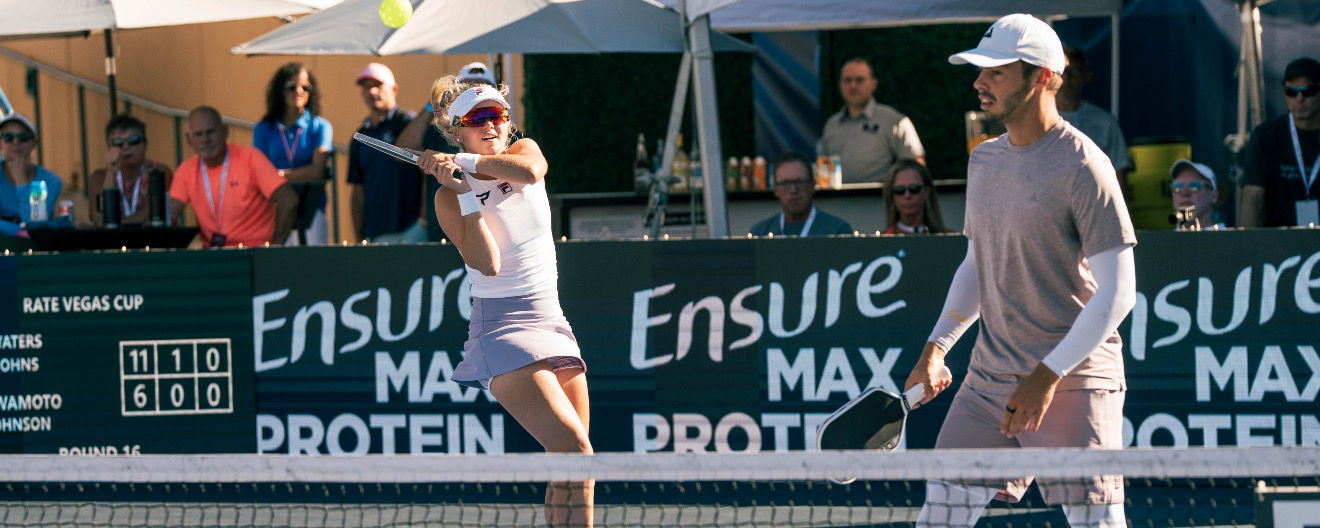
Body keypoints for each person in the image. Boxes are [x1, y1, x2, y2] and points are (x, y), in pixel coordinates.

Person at [903, 14, 1136, 528]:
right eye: (979, 71)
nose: (978, 82)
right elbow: (977, 262)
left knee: (1098, 524)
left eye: (996, 72)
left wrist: (1047, 376)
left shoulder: (1086, 167)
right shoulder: (983, 160)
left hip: (1074, 381)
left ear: (1043, 78)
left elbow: (1120, 294)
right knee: (937, 519)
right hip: (989, 380)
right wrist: (937, 346)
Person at [413, 77, 592, 526]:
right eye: (477, 119)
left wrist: (466, 161)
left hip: (552, 318)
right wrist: (467, 193)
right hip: (503, 329)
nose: (491, 124)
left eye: (498, 115)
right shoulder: (446, 198)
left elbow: (531, 174)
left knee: (573, 467)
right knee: (575, 450)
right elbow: (486, 263)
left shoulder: (524, 151)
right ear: (457, 129)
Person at [169, 106, 298, 248]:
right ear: (189, 139)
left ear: (225, 131)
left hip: (255, 252)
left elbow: (288, 200)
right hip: (213, 254)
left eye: (210, 132)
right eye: (198, 134)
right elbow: (169, 214)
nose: (205, 139)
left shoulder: (250, 158)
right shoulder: (186, 170)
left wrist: (275, 247)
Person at [397, 62, 497, 242]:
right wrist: (433, 104)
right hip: (443, 229)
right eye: (465, 87)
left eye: (480, 87)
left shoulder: (501, 132)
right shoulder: (442, 131)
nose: (473, 92)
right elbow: (402, 151)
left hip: (490, 228)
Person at [253, 62, 333, 245]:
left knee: (313, 265)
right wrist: (300, 174)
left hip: (312, 210)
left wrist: (277, 175)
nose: (298, 92)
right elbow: (259, 174)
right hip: (275, 209)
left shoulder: (320, 126)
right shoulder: (264, 128)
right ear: (280, 91)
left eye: (305, 87)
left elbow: (317, 171)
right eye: (291, 87)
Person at [346, 63, 424, 244]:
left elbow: (428, 172)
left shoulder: (409, 123)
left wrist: (423, 220)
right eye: (366, 87)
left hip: (413, 229)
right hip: (377, 233)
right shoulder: (360, 136)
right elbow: (357, 188)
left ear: (394, 89)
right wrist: (358, 235)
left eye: (378, 85)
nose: (372, 91)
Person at [817, 57, 925, 184]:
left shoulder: (894, 121)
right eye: (847, 80)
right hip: (840, 201)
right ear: (840, 85)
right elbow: (823, 170)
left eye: (859, 80)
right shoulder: (831, 124)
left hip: (881, 200)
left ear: (873, 84)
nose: (853, 85)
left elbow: (916, 165)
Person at [1240, 57, 1320, 227]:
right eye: (1291, 91)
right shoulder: (1266, 136)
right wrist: (1246, 247)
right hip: (1278, 242)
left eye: (1308, 91)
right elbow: (1253, 195)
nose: (1299, 98)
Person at [1058, 46, 1133, 191]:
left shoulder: (1105, 122)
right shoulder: (1038, 121)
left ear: (1086, 75)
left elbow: (1119, 170)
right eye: (1061, 72)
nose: (1067, 78)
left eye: (1073, 72)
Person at [88, 114, 174, 226]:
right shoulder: (99, 176)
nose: (126, 147)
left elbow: (149, 214)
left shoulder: (159, 172)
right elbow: (98, 217)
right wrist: (111, 172)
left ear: (145, 145)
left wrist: (118, 226)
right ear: (109, 148)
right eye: (118, 142)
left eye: (133, 140)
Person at [748, 151, 852, 236]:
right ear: (775, 189)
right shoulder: (760, 234)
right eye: (785, 183)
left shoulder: (837, 231)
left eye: (800, 182)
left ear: (812, 185)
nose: (793, 190)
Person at [0, 111, 63, 235]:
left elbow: (35, 226)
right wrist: (19, 231)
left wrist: (21, 182)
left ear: (33, 143)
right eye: (8, 137)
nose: (15, 143)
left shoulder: (49, 181)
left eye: (23, 137)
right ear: (1, 143)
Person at [881, 158, 951, 235]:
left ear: (926, 192)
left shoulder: (949, 238)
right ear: (891, 195)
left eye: (914, 188)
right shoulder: (881, 241)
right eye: (900, 190)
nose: (907, 195)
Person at [1169, 159, 1223, 230]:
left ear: (1213, 196)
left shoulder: (1228, 239)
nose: (1184, 193)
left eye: (1194, 186)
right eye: (1177, 187)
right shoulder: (1162, 240)